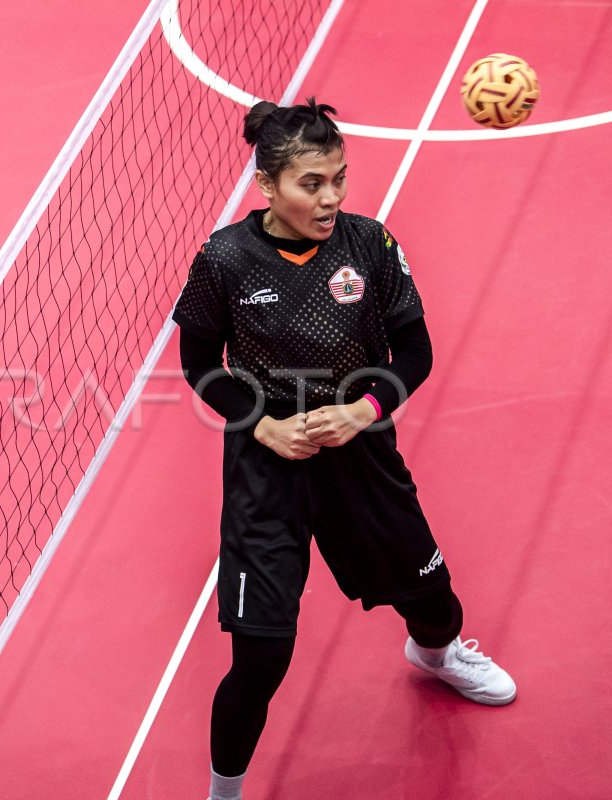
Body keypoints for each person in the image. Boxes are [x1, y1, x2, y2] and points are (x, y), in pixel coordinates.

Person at [172, 98, 516, 800]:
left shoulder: (369, 245)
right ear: (267, 186)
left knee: (436, 605)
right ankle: (222, 795)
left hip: (360, 454)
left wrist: (363, 410)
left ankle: (436, 653)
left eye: (339, 178)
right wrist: (260, 424)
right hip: (269, 467)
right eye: (311, 183)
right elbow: (200, 360)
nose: (330, 197)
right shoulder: (225, 261)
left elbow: (414, 350)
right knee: (261, 656)